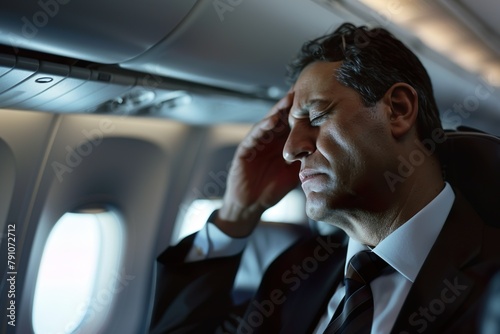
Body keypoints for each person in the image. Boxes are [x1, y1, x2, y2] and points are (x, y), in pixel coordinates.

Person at [149, 23, 500, 333]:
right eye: (288, 129)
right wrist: (237, 214)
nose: (290, 150)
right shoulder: (295, 272)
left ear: (398, 110)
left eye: (317, 116)